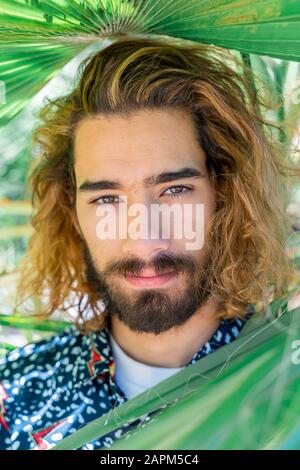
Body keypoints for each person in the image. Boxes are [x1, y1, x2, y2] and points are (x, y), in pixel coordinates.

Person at [0, 35, 297, 450]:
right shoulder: (13, 398)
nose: (144, 239)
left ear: (223, 194)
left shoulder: (286, 385)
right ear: (73, 213)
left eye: (175, 190)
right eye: (106, 198)